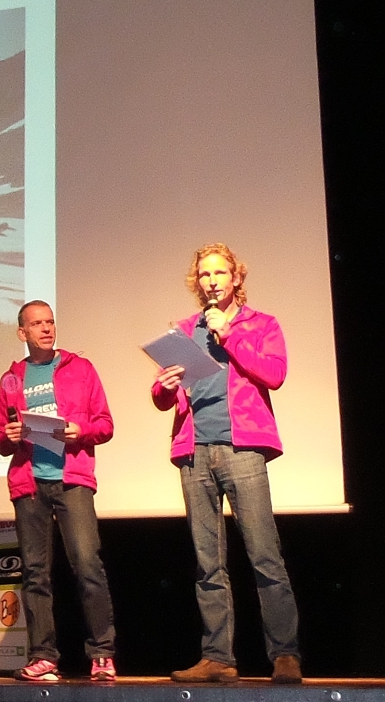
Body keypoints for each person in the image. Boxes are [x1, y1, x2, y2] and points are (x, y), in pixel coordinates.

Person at [152, 243, 301, 685]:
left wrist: (229, 335)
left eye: (219, 273)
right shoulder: (183, 330)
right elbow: (165, 399)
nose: (211, 280)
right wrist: (163, 386)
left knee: (264, 554)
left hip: (243, 447)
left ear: (236, 277)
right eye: (203, 274)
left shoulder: (261, 324)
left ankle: (285, 655)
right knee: (207, 562)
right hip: (194, 450)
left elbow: (274, 374)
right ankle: (217, 656)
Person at [0, 300, 117, 683]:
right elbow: (0, 437)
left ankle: (101, 654)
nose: (46, 328)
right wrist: (9, 436)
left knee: (87, 565)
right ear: (22, 333)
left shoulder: (80, 368)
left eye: (50, 322)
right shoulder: (11, 379)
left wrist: (80, 430)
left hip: (72, 478)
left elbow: (105, 424)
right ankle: (44, 656)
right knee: (35, 574)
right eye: (37, 323)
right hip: (29, 483)